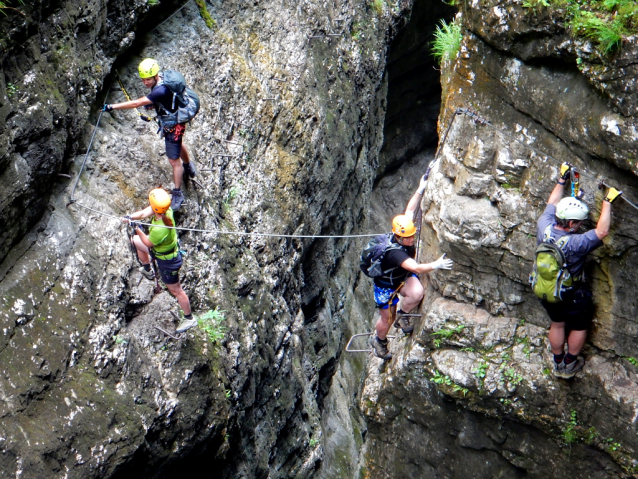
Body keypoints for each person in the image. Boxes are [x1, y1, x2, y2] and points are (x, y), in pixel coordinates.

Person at [536, 162, 622, 379]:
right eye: (579, 223)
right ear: (572, 222)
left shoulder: (543, 226)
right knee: (580, 325)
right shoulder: (577, 244)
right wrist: (608, 201)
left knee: (557, 323)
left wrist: (561, 179)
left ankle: (557, 361)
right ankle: (569, 363)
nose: (580, 226)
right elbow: (601, 231)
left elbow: (551, 203)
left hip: (545, 289)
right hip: (572, 294)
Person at [369, 175, 454, 360]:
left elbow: (410, 209)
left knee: (417, 294)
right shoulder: (395, 253)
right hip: (386, 286)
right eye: (408, 237)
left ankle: (403, 315)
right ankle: (379, 341)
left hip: (401, 277)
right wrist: (436, 264)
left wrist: (420, 189)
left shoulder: (403, 230)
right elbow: (415, 268)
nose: (411, 239)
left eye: (411, 236)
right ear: (399, 237)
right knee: (387, 319)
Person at [103, 58, 196, 211]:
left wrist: (111, 107)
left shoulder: (160, 90)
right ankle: (188, 166)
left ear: (154, 76)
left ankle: (178, 193)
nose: (145, 83)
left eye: (147, 80)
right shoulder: (164, 79)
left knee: (174, 161)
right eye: (143, 80)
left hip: (173, 126)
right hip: (176, 119)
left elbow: (135, 104)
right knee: (179, 144)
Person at [123, 188, 197, 333]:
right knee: (135, 240)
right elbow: (144, 213)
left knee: (176, 291)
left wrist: (137, 228)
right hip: (162, 253)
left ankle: (189, 319)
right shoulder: (166, 211)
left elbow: (149, 243)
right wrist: (130, 217)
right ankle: (147, 269)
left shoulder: (159, 229)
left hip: (168, 262)